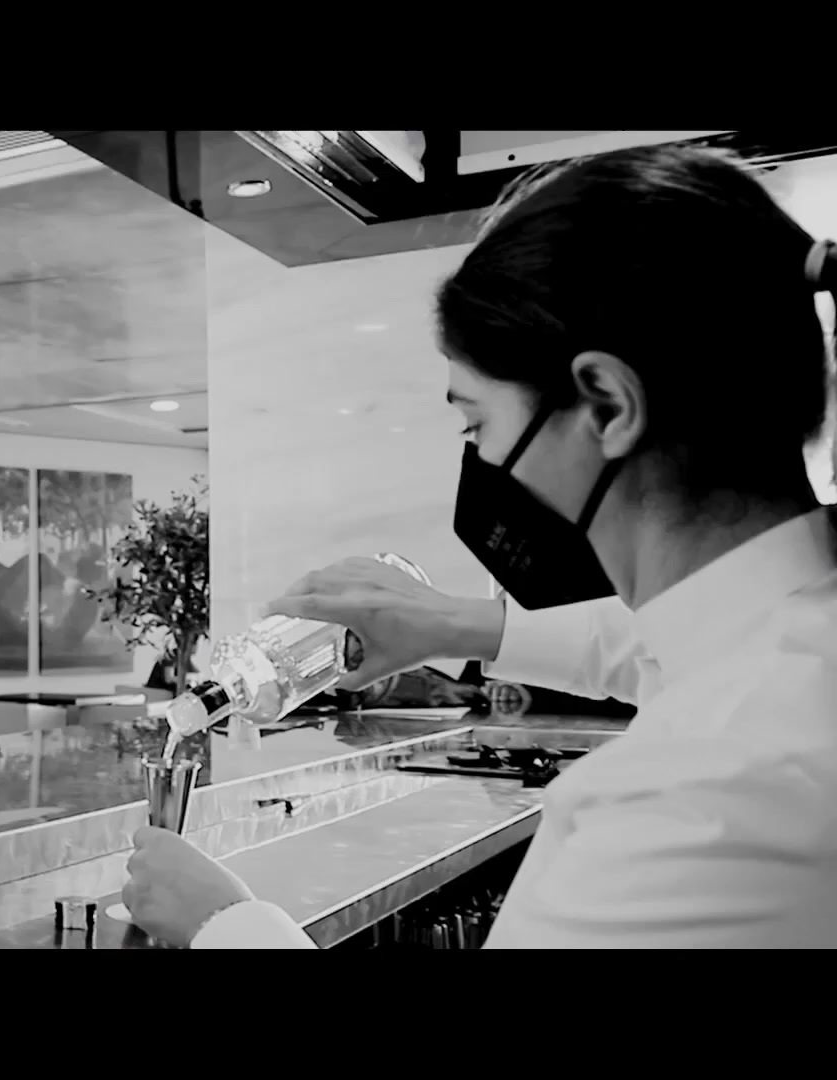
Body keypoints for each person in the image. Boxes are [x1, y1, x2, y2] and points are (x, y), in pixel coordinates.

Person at [124, 145, 837, 948]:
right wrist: (459, 627)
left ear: (607, 406)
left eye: (478, 425)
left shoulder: (696, 799)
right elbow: (666, 648)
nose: (483, 465)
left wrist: (224, 924)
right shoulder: (794, 646)